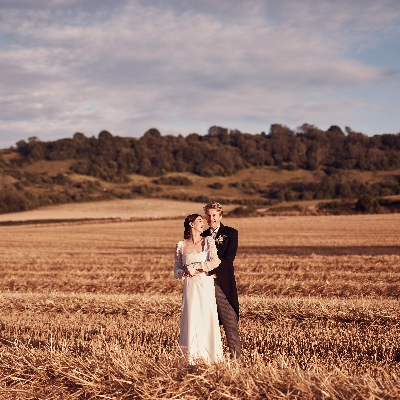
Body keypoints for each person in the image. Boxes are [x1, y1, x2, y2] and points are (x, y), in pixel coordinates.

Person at [173, 213, 223, 364]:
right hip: (190, 287)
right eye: (200, 221)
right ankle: (191, 359)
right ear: (191, 224)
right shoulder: (180, 245)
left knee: (206, 317)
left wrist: (198, 267)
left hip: (205, 284)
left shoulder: (208, 241)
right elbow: (176, 271)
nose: (204, 223)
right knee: (192, 318)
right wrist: (185, 272)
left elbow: (215, 262)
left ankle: (210, 358)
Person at [202, 201, 241, 358]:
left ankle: (237, 360)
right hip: (204, 284)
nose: (211, 219)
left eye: (214, 215)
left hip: (222, 283)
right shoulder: (202, 236)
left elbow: (228, 259)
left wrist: (206, 268)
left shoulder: (231, 233)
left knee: (229, 323)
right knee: (206, 323)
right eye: (208, 215)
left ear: (220, 215)